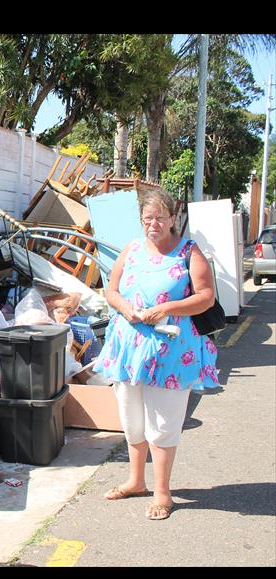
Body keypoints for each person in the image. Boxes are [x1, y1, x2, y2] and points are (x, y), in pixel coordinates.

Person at [92, 187, 220, 520]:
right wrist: (126, 308)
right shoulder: (132, 249)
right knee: (131, 419)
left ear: (173, 218)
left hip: (172, 354)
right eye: (147, 218)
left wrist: (166, 308)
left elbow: (206, 297)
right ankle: (136, 481)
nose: (153, 224)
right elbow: (112, 291)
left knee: (163, 423)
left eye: (160, 218)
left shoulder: (188, 251)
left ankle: (163, 493)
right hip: (129, 349)